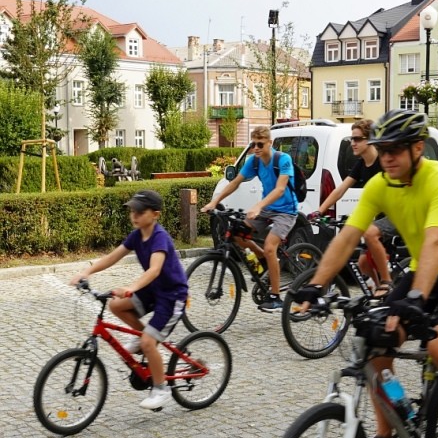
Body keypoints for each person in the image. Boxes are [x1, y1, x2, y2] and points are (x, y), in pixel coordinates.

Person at [296, 109, 438, 438]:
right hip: (422, 270)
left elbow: (435, 241)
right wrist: (317, 285)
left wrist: (416, 296)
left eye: (395, 150)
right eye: (382, 149)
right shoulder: (379, 185)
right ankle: (388, 432)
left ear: (417, 148)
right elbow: (348, 237)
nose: (386, 157)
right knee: (375, 342)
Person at [69, 190, 189, 410]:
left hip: (172, 296)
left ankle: (161, 389)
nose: (134, 215)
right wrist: (87, 272)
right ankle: (145, 339)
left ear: (155, 214)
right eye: (132, 210)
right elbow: (113, 256)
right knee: (116, 305)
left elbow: (154, 270)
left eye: (140, 211)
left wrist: (131, 287)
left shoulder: (159, 237)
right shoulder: (137, 235)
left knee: (147, 342)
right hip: (152, 291)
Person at [202, 125, 298, 312]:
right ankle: (262, 259)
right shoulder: (254, 161)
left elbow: (280, 189)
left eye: (260, 144)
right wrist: (215, 202)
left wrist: (258, 206)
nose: (256, 148)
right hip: (266, 209)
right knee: (238, 234)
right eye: (253, 144)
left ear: (270, 143)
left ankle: (276, 296)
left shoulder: (283, 159)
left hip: (286, 211)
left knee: (271, 247)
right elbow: (236, 182)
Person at [317, 120, 392, 295]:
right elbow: (341, 189)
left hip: (394, 214)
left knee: (370, 234)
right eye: (352, 139)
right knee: (363, 264)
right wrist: (320, 210)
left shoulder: (384, 162)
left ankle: (386, 283)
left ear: (370, 140)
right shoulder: (361, 164)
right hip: (378, 216)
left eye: (357, 139)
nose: (353, 143)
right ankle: (379, 292)